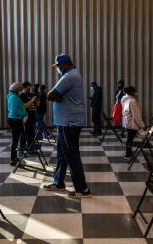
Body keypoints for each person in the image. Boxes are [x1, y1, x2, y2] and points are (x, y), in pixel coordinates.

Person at [43, 53, 91, 198]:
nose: (56, 68)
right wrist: (60, 96)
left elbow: (50, 95)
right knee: (62, 154)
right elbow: (56, 95)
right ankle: (59, 183)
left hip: (69, 122)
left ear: (64, 64)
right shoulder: (70, 75)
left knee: (71, 155)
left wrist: (58, 96)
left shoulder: (69, 76)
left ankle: (83, 189)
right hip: (65, 122)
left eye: (57, 66)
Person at [7, 82, 32, 165]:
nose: (21, 91)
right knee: (15, 140)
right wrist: (24, 114)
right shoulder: (13, 97)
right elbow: (14, 110)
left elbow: (20, 107)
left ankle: (14, 157)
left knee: (17, 139)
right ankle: (12, 160)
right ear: (17, 90)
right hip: (15, 120)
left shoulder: (15, 96)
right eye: (20, 90)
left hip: (16, 119)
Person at [121, 86, 146, 160]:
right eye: (135, 92)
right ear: (132, 92)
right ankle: (128, 154)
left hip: (127, 122)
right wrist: (142, 125)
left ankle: (129, 152)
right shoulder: (132, 101)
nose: (136, 93)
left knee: (130, 138)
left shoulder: (124, 99)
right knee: (130, 139)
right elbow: (136, 115)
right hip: (132, 123)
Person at [20, 82, 38, 148]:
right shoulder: (21, 96)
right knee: (25, 133)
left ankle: (31, 146)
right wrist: (32, 100)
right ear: (25, 87)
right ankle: (22, 147)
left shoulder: (30, 94)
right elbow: (25, 106)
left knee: (32, 132)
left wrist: (36, 99)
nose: (30, 89)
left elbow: (37, 104)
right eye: (29, 87)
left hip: (32, 115)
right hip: (26, 117)